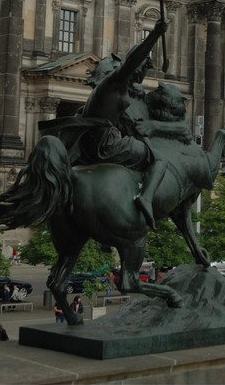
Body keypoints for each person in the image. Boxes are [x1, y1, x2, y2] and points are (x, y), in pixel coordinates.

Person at [39, 20, 171, 230]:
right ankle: (145, 199)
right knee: (159, 158)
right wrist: (154, 35)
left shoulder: (100, 93)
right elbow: (133, 59)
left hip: (91, 145)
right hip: (107, 144)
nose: (139, 76)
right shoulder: (114, 83)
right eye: (140, 70)